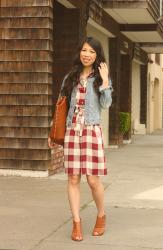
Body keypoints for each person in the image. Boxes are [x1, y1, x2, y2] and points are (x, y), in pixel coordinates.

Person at [48, 37, 112, 241]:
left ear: (97, 56)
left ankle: (101, 216)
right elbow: (61, 105)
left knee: (93, 180)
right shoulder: (70, 77)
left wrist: (105, 82)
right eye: (85, 50)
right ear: (80, 52)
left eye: (92, 52)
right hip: (72, 131)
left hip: (92, 131)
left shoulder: (101, 77)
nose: (87, 54)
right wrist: (53, 131)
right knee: (73, 178)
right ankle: (76, 223)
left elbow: (107, 103)